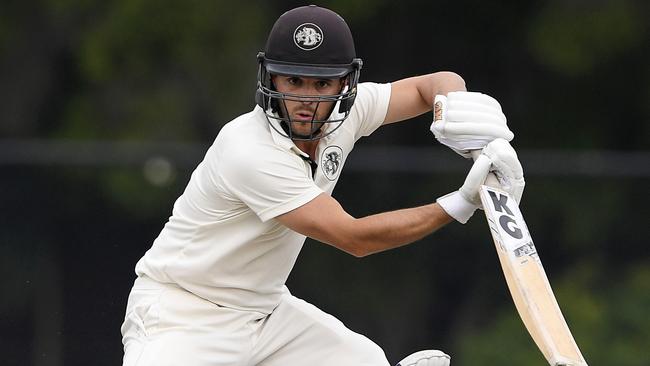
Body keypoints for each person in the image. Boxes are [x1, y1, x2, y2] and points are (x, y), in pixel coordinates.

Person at [120, 5, 524, 366]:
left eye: (322, 84)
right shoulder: (249, 150)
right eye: (293, 81)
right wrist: (461, 203)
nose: (306, 99)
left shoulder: (351, 112)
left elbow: (434, 82)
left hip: (264, 313)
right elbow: (354, 238)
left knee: (366, 361)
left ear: (344, 85)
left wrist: (461, 116)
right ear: (270, 77)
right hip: (182, 314)